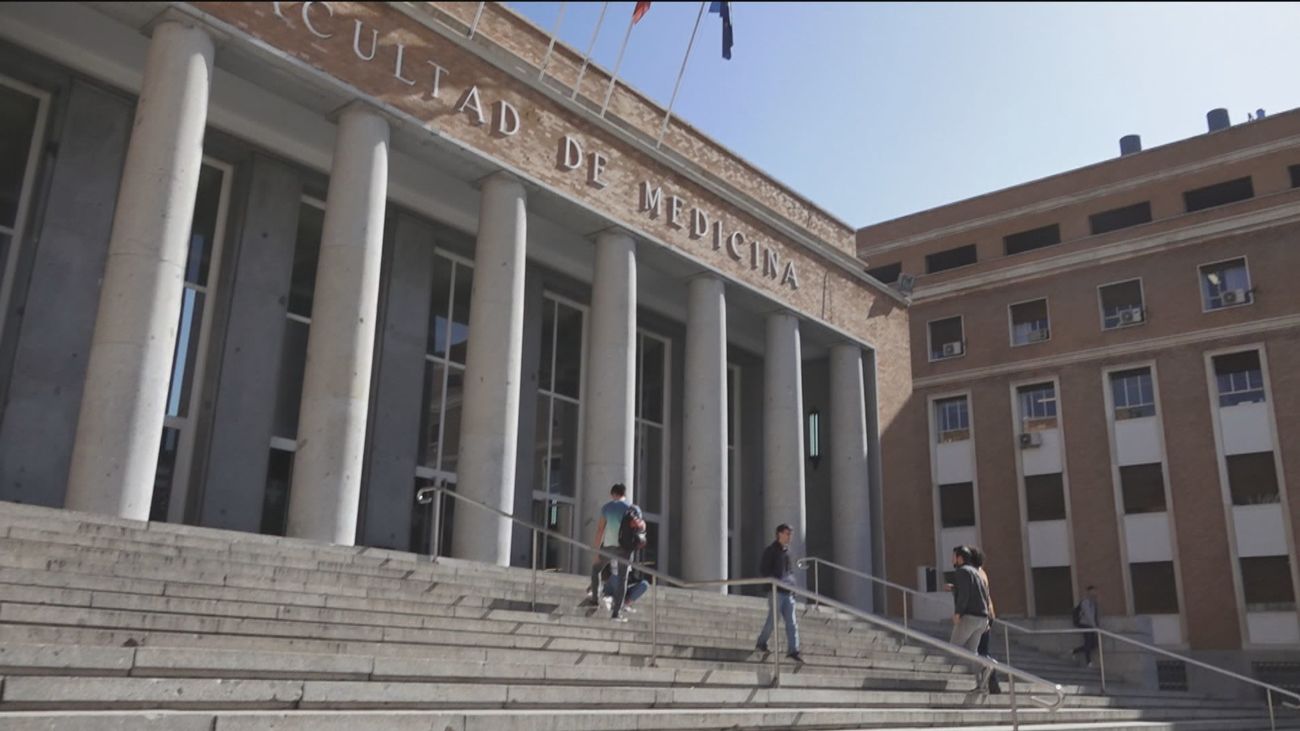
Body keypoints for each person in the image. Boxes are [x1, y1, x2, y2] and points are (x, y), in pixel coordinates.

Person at [755, 523, 802, 663]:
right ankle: (761, 642)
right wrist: (776, 581)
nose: (790, 537)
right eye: (787, 533)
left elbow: (790, 572)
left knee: (792, 622)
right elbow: (764, 570)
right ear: (779, 534)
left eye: (790, 534)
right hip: (775, 591)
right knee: (773, 619)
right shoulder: (770, 551)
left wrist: (793, 587)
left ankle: (793, 650)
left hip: (788, 592)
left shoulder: (787, 552)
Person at [949, 545, 993, 693]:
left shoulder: (962, 571)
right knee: (972, 652)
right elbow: (984, 594)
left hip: (970, 616)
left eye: (954, 556)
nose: (952, 559)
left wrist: (958, 613)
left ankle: (984, 665)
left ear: (960, 558)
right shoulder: (976, 572)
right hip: (982, 617)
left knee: (953, 648)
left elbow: (965, 594)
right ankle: (981, 685)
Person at [580, 483, 630, 612]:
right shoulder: (630, 508)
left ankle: (595, 599)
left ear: (613, 494)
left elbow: (600, 530)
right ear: (624, 494)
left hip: (608, 546)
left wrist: (596, 551)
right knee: (622, 578)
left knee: (596, 569)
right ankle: (617, 610)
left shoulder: (607, 508)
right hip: (624, 548)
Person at [968, 547, 1001, 695]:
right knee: (982, 650)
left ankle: (986, 681)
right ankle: (990, 682)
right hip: (987, 613)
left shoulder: (975, 573)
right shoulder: (981, 573)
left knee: (978, 651)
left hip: (980, 615)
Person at [1072, 585, 1101, 668]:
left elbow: (1095, 616)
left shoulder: (1094, 603)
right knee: (1088, 642)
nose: (1094, 593)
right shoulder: (1085, 602)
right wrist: (1095, 627)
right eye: (1092, 591)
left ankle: (1075, 651)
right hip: (1084, 624)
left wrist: (1097, 626)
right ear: (1088, 592)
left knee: (1094, 644)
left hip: (1091, 625)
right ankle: (1088, 662)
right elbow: (1088, 615)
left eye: (1095, 591)